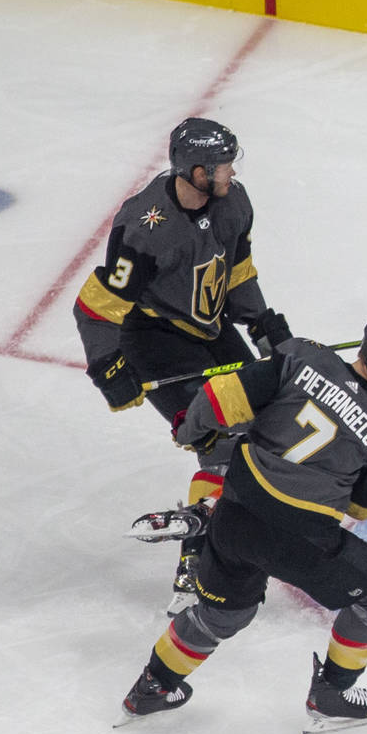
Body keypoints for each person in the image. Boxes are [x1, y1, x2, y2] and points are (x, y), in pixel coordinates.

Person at [115, 309, 367, 734]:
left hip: (235, 515)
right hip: (299, 540)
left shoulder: (302, 356)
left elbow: (220, 398)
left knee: (223, 614)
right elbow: (362, 509)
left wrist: (192, 432)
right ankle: (332, 694)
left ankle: (153, 686)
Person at [73, 118, 293, 614]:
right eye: (222, 165)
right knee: (218, 437)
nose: (231, 172)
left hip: (211, 331)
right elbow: (94, 309)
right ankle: (195, 567)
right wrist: (108, 368)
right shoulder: (145, 228)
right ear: (195, 171)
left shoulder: (234, 202)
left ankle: (235, 533)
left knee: (266, 420)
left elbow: (236, 272)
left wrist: (262, 326)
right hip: (154, 340)